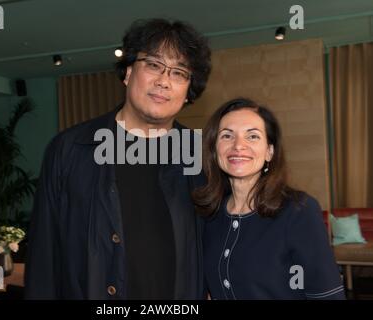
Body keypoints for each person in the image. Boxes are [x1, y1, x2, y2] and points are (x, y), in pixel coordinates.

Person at [24, 18, 211, 299]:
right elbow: (43, 258)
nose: (163, 81)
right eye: (153, 65)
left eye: (179, 73)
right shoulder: (70, 149)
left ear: (188, 92)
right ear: (127, 72)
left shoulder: (202, 156)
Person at [193, 98, 345, 300]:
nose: (238, 145)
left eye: (253, 136)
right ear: (214, 149)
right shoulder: (209, 214)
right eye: (227, 136)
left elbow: (327, 295)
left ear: (269, 151)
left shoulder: (299, 210)